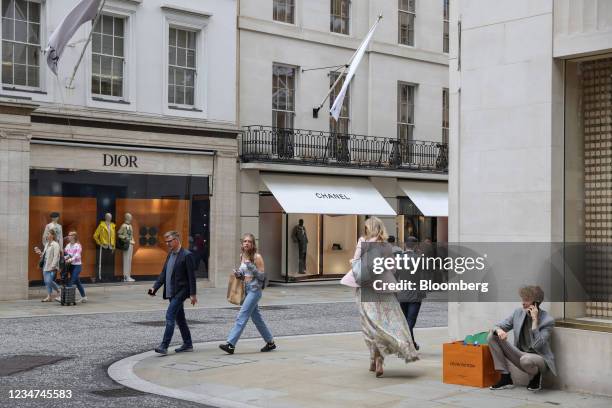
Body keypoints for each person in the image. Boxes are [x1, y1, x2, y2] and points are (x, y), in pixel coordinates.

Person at [354, 217, 418, 377]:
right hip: (384, 289)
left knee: (370, 325)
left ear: (369, 228)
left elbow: (355, 263)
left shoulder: (363, 241)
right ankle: (378, 360)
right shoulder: (386, 245)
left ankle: (374, 359)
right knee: (385, 323)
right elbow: (394, 268)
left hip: (367, 289)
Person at [488, 285, 556, 392]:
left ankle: (536, 377)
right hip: (520, 354)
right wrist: (500, 330)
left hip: (539, 359)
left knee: (526, 360)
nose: (523, 303)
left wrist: (534, 322)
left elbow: (538, 344)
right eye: (523, 299)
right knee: (492, 336)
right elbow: (495, 326)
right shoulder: (518, 313)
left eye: (527, 300)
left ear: (536, 303)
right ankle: (505, 377)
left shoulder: (547, 320)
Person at [219, 233, 276, 354]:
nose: (246, 243)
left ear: (253, 244)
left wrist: (250, 265)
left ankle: (231, 344)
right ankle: (270, 342)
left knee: (242, 315)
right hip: (246, 288)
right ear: (242, 244)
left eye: (249, 241)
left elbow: (262, 276)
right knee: (257, 319)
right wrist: (239, 274)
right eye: (244, 241)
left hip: (255, 290)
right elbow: (245, 275)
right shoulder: (242, 256)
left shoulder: (257, 257)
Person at [149, 231, 197, 355]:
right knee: (180, 319)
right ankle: (188, 344)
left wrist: (193, 294)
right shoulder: (170, 255)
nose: (168, 244)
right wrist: (155, 288)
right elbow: (164, 274)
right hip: (171, 291)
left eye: (169, 241)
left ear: (176, 240)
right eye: (166, 242)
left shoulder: (187, 255)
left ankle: (164, 346)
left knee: (170, 315)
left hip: (181, 291)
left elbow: (192, 277)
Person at [396, 236, 426, 350]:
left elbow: (395, 275)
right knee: (410, 320)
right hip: (415, 293)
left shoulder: (398, 258)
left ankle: (411, 344)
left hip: (402, 293)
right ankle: (405, 343)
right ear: (416, 246)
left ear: (405, 245)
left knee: (405, 320)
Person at [35, 229, 61, 302]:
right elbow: (45, 255)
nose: (47, 235)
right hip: (45, 265)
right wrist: (40, 252)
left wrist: (53, 266)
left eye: (49, 234)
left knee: (49, 280)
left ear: (52, 235)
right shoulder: (47, 244)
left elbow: (56, 256)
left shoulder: (55, 244)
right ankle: (49, 296)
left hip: (51, 266)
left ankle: (59, 291)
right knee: (46, 282)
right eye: (47, 234)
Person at [64, 231, 87, 303]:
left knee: (71, 280)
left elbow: (77, 255)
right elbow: (66, 254)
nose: (68, 236)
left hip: (77, 266)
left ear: (74, 236)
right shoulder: (68, 245)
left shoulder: (78, 245)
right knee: (77, 282)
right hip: (70, 266)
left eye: (70, 235)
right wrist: (65, 258)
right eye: (68, 235)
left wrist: (71, 259)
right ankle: (84, 297)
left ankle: (67, 298)